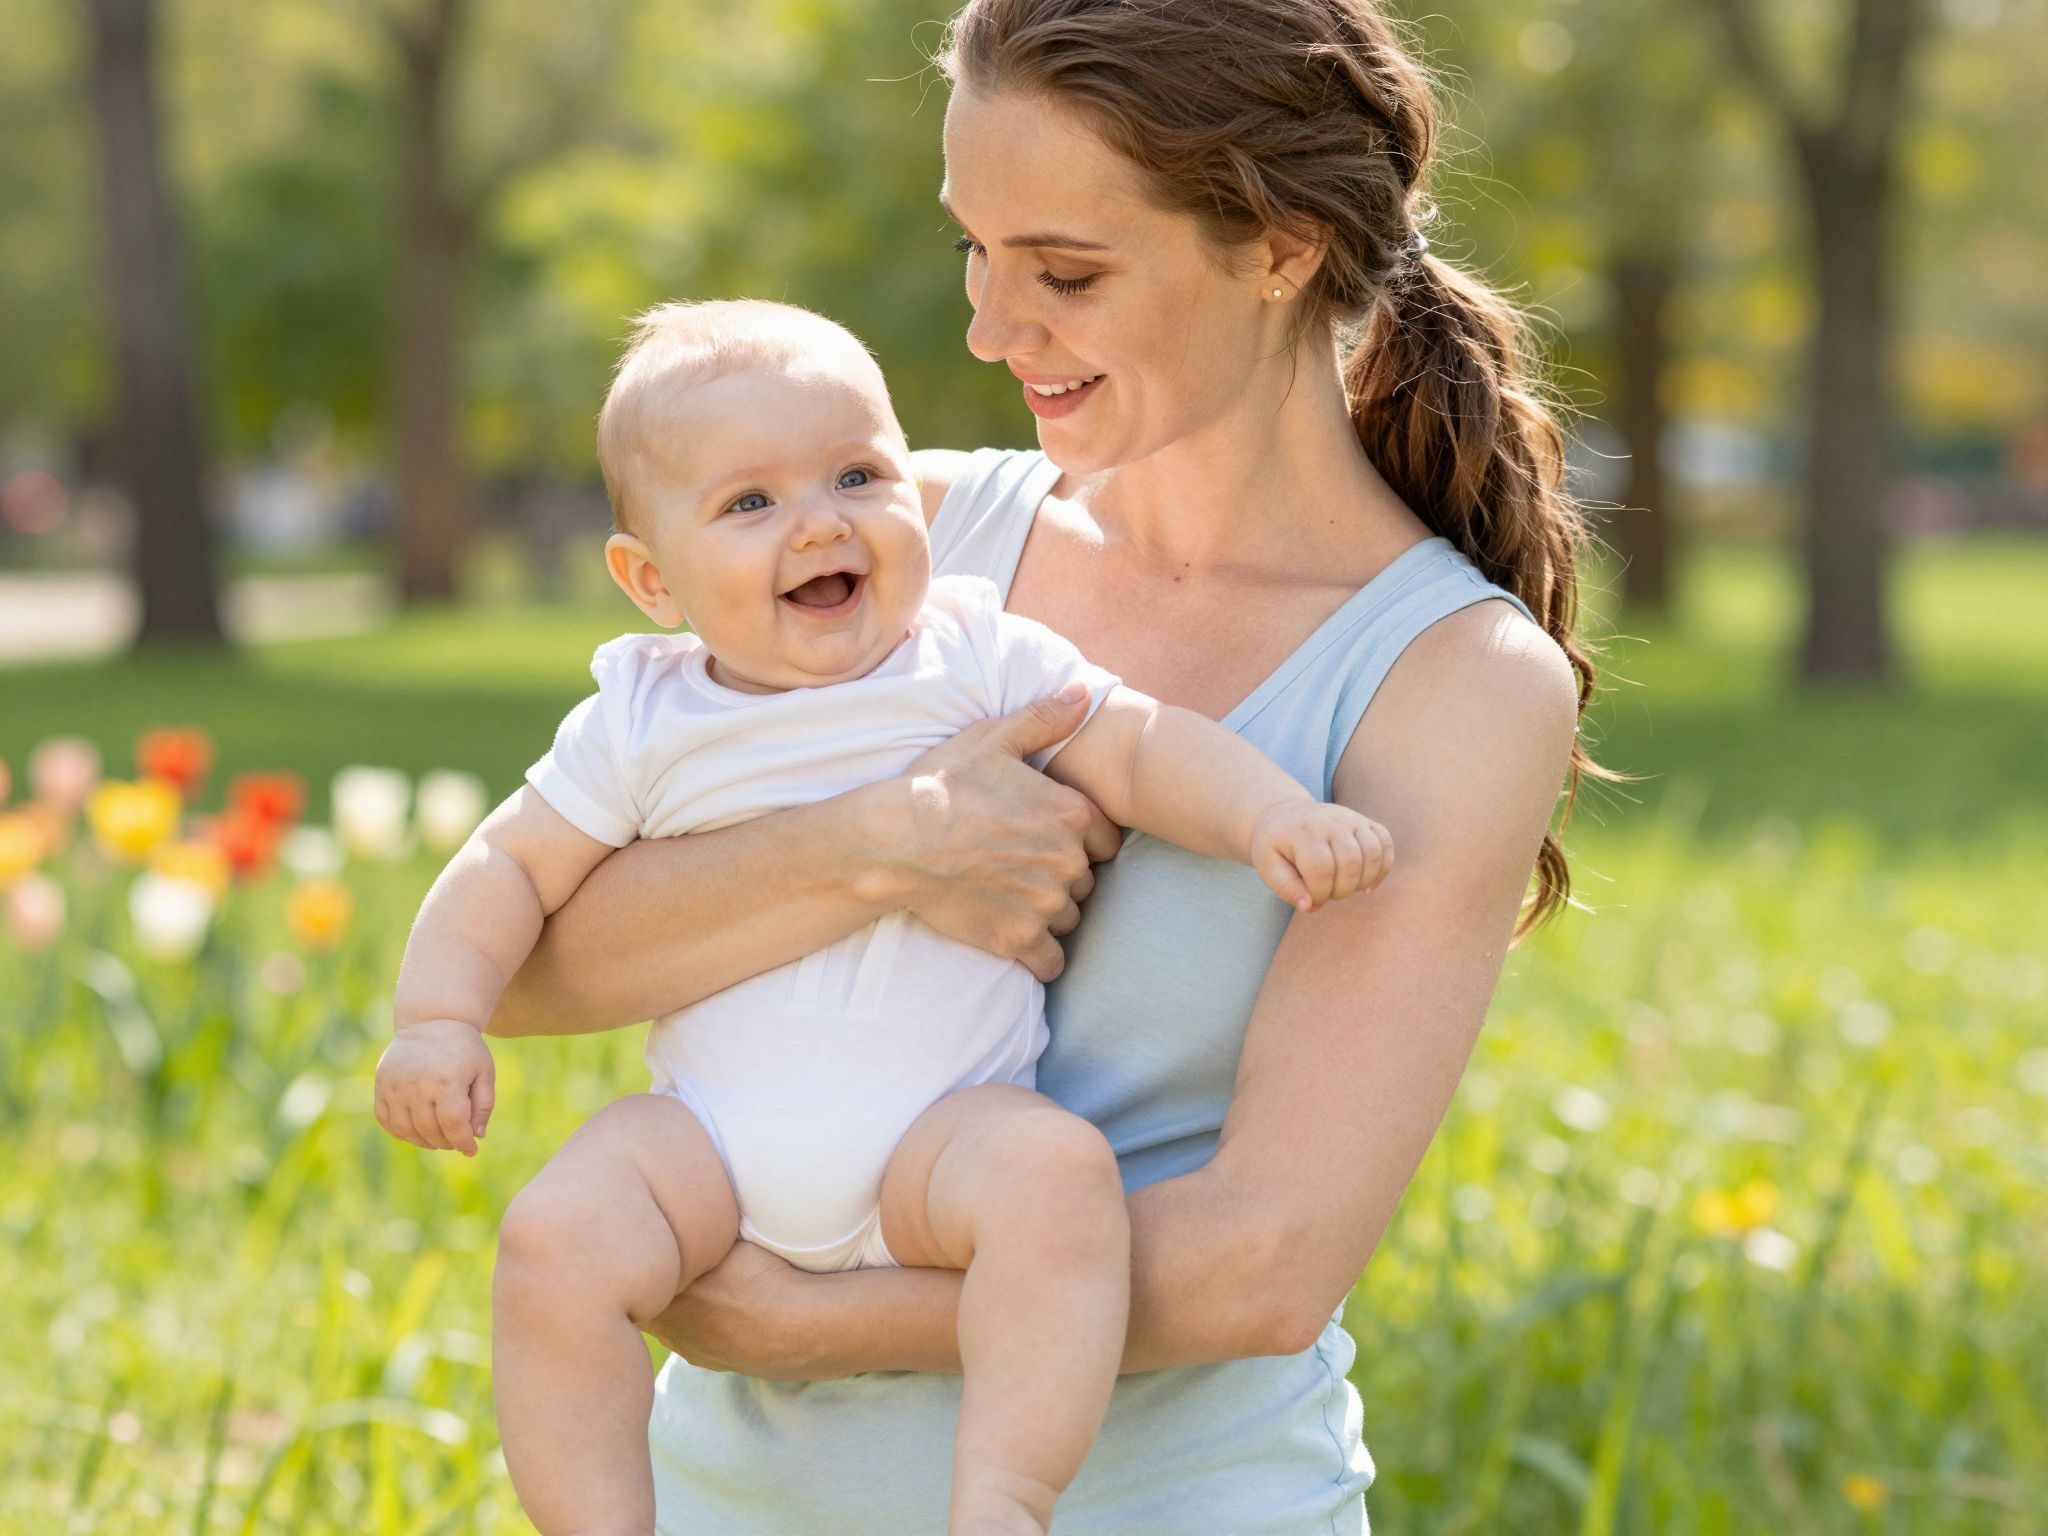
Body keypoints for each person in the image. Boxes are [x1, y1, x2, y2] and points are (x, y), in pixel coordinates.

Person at [488, 1, 1599, 1529]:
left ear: (1279, 249)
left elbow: (1266, 1262)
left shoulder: (1453, 685)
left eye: (1065, 272)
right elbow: (530, 964)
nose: (988, 328)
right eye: (975, 248)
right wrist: (882, 843)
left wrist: (790, 1319)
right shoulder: (899, 539)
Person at [376, 297, 1396, 1536]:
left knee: (1054, 1180)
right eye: (747, 503)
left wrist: (1267, 818)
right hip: (709, 1147)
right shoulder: (641, 717)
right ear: (651, 580)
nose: (816, 520)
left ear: (913, 496)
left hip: (937, 1145)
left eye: (857, 473)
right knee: (552, 1242)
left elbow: (1135, 744)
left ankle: (1004, 1499)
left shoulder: (965, 650)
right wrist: (437, 1018)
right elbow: (506, 869)